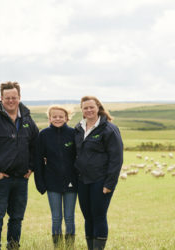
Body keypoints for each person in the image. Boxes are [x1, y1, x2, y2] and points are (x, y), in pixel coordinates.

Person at [0, 81, 39, 249]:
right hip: (0, 179)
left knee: (17, 217)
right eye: (7, 98)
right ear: (1, 98)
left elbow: (36, 145)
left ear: (19, 97)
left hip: (21, 179)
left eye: (14, 97)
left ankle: (13, 247)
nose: (11, 101)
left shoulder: (27, 120)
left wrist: (32, 167)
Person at [74, 96, 123, 250]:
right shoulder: (78, 128)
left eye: (91, 107)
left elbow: (116, 159)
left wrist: (110, 183)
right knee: (88, 217)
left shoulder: (109, 129)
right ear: (81, 110)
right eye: (85, 108)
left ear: (98, 108)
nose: (88, 110)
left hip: (100, 181)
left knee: (99, 216)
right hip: (82, 180)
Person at [34, 105, 78, 248]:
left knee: (70, 217)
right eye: (54, 116)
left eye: (61, 116)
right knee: (56, 218)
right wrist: (40, 183)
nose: (57, 119)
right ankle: (58, 246)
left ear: (67, 118)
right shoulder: (44, 135)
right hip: (52, 182)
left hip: (72, 182)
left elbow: (80, 157)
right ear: (49, 118)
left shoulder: (73, 133)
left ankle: (70, 246)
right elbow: (38, 160)